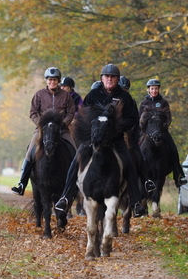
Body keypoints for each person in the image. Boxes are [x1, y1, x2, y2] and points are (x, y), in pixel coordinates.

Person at [54, 64, 151, 218]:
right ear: (102, 78)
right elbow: (82, 115)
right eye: (107, 76)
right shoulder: (93, 95)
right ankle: (65, 198)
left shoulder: (125, 98)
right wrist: (92, 130)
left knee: (130, 162)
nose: (109, 79)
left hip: (116, 138)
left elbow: (133, 119)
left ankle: (136, 202)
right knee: (76, 160)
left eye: (113, 77)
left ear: (117, 79)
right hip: (94, 138)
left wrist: (116, 128)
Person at [11, 67, 76, 196]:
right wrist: (41, 124)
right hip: (42, 131)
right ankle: (22, 183)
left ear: (58, 81)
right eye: (50, 79)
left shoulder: (66, 96)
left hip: (62, 130)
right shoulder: (39, 95)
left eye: (55, 80)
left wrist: (63, 124)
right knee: (30, 152)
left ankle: (77, 184)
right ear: (46, 81)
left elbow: (71, 112)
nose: (52, 82)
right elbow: (33, 113)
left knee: (74, 151)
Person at [138, 79, 187, 188]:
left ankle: (179, 175)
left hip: (161, 131)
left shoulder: (164, 103)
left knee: (173, 149)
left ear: (158, 89)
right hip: (146, 132)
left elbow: (168, 118)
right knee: (135, 147)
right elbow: (139, 119)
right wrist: (144, 129)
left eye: (156, 88)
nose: (154, 91)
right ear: (148, 90)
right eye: (152, 89)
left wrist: (162, 127)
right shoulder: (143, 103)